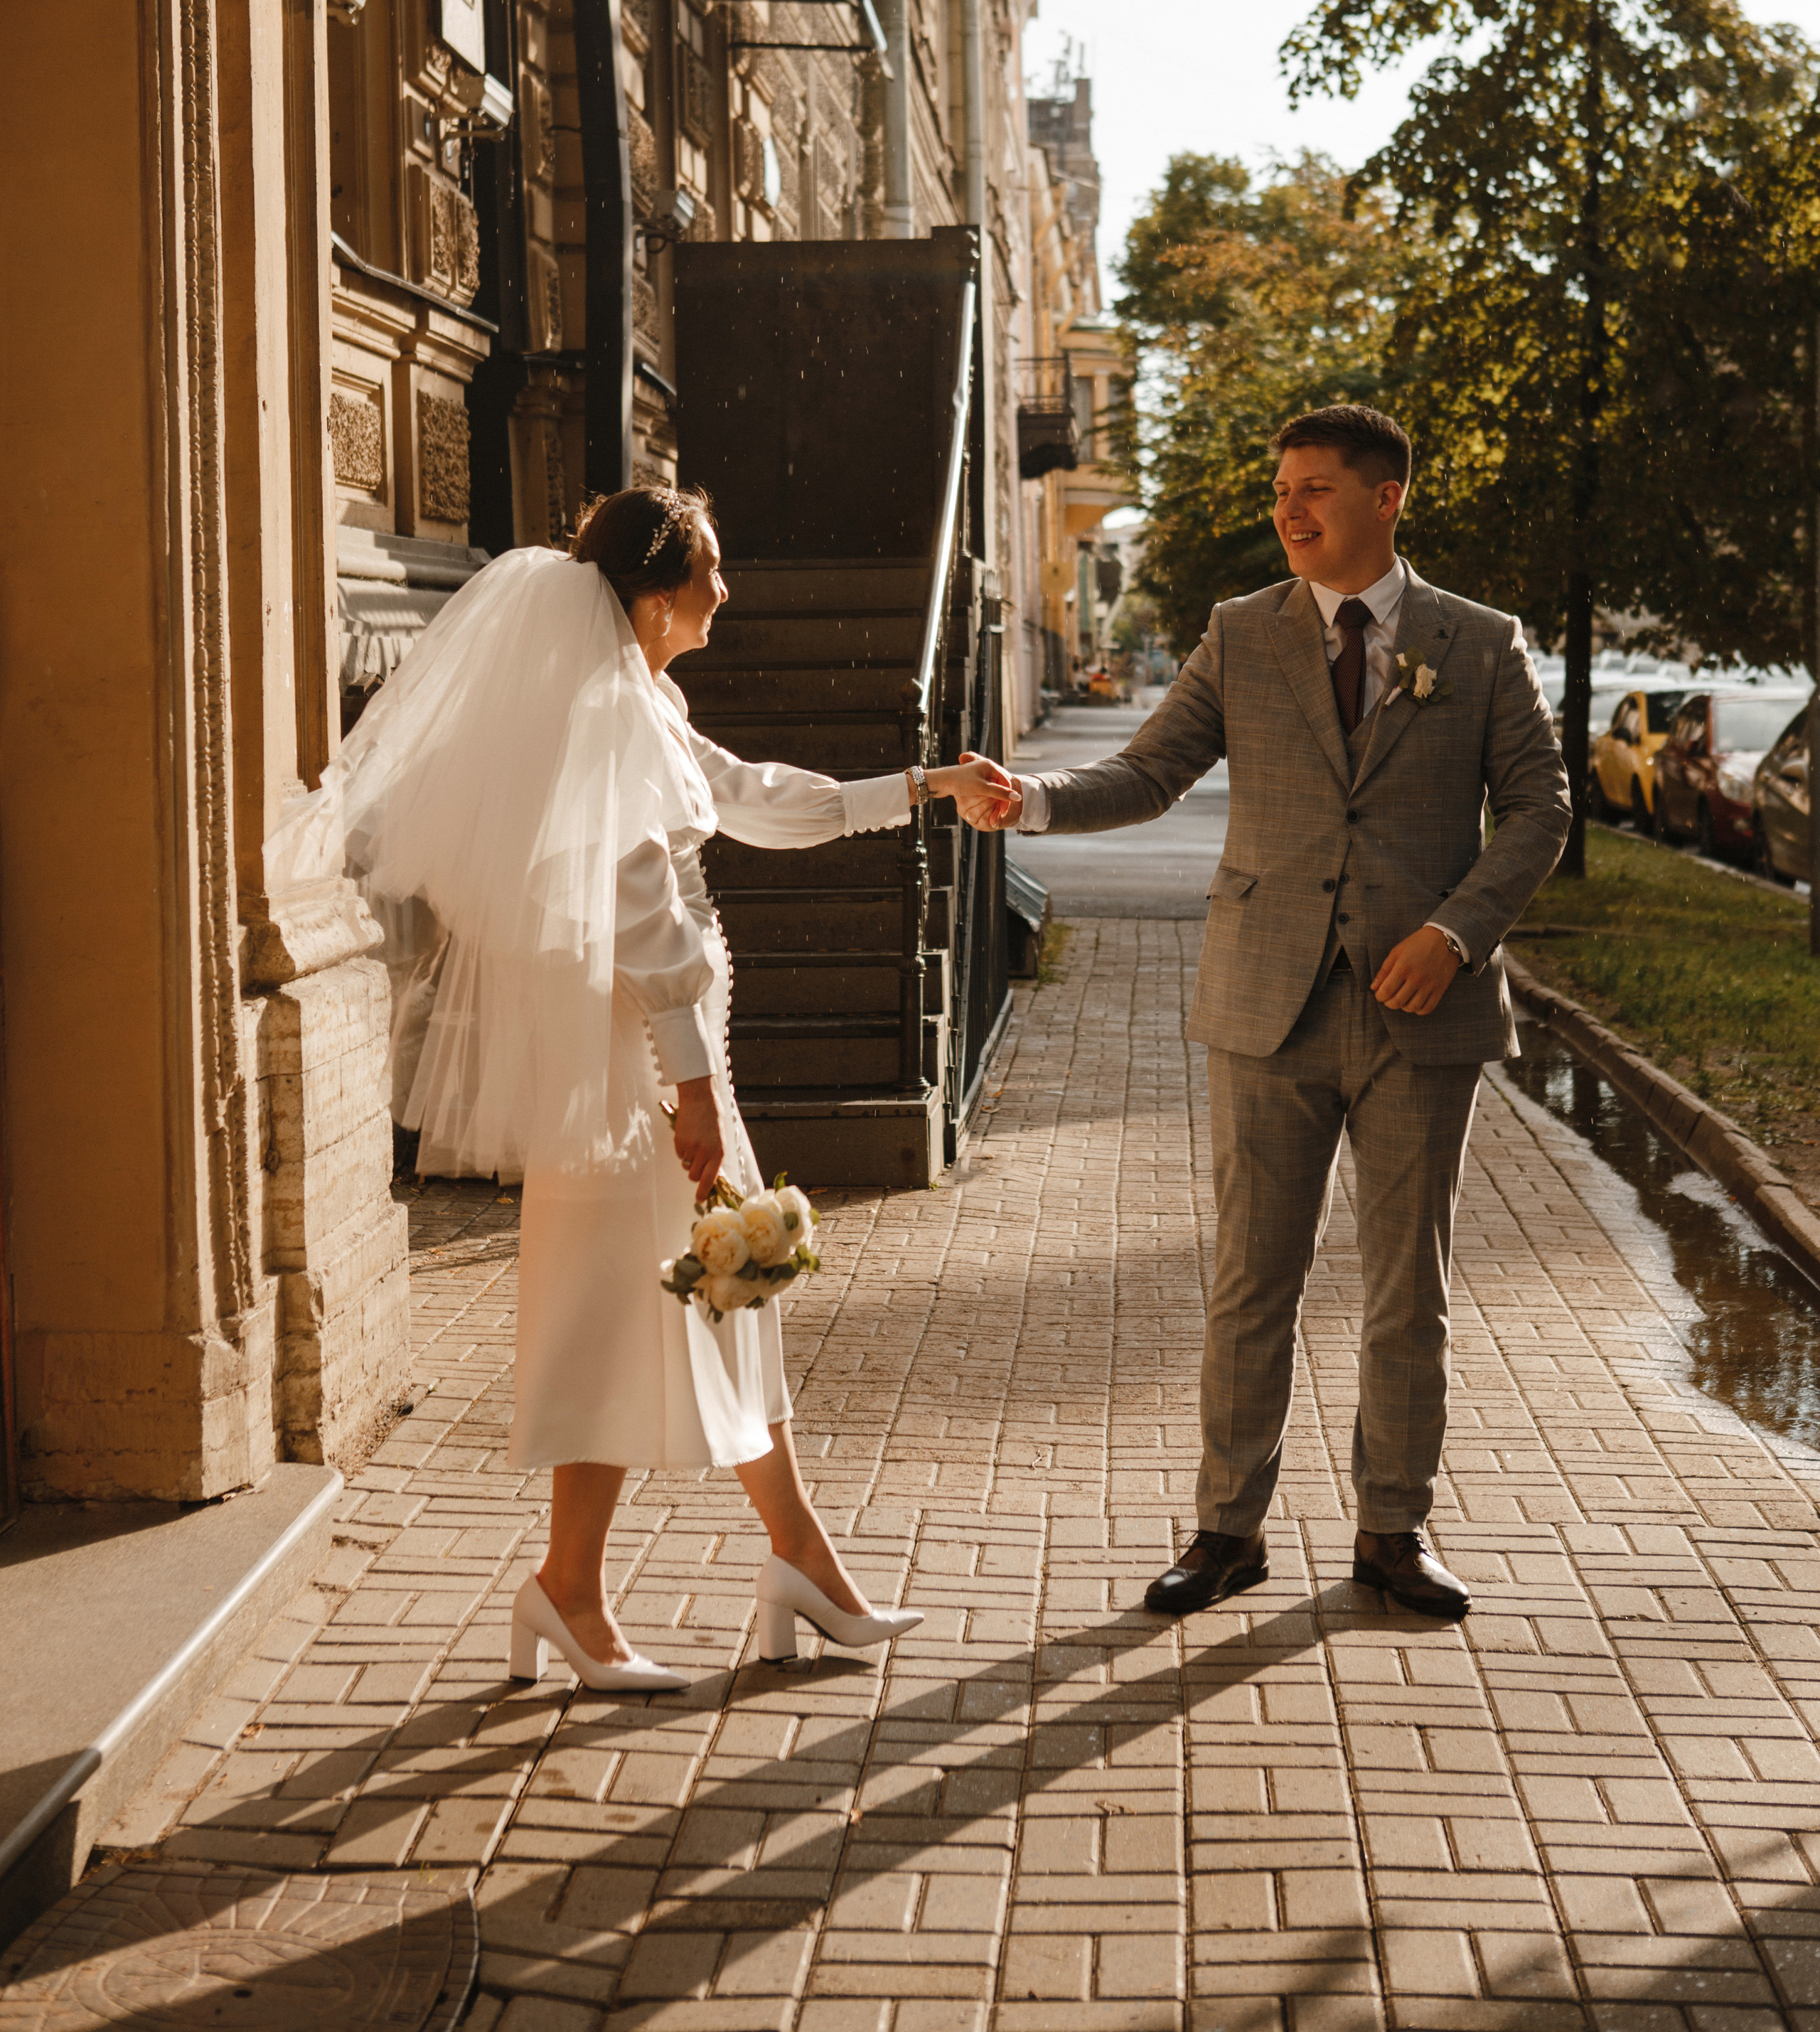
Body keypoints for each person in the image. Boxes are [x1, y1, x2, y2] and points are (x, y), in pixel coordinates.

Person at [276, 484, 1004, 1689]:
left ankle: (788, 1565)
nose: (728, 591)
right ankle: (596, 1591)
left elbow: (765, 799)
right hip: (634, 1076)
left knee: (727, 1295)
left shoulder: (643, 700)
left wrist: (924, 787)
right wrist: (695, 1092)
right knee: (637, 1316)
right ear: (657, 590)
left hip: (665, 1063)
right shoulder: (605, 713)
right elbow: (640, 916)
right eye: (711, 570)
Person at [963, 405, 1570, 1621]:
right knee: (1254, 1278)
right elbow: (1148, 771)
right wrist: (1029, 799)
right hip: (1267, 1003)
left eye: (1315, 491)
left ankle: (1394, 1532)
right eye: (1281, 490)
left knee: (1411, 1286)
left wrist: (1454, 936)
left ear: (1386, 497)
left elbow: (1542, 809)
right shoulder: (1243, 633)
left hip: (1421, 1011)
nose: (1290, 510)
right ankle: (1227, 1530)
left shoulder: (1481, 642)